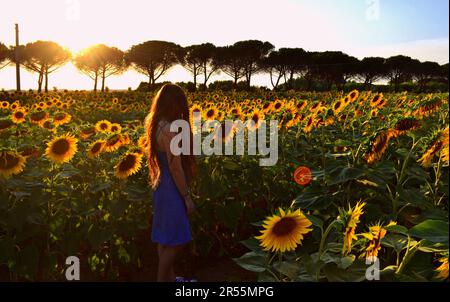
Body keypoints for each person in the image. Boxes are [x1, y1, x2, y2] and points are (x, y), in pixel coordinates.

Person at [144, 83, 196, 282]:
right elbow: (175, 167)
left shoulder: (157, 123)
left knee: (165, 239)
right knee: (178, 239)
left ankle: (171, 279)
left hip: (161, 185)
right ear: (173, 104)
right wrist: (187, 197)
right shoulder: (170, 130)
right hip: (171, 188)